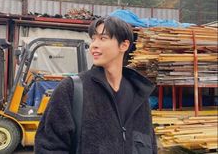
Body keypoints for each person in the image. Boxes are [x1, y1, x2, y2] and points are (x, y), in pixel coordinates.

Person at [35, 16, 157, 154]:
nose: (93, 45)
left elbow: (149, 146)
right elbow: (49, 148)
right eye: (93, 39)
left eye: (103, 38)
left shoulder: (139, 94)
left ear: (124, 45)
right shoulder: (72, 90)